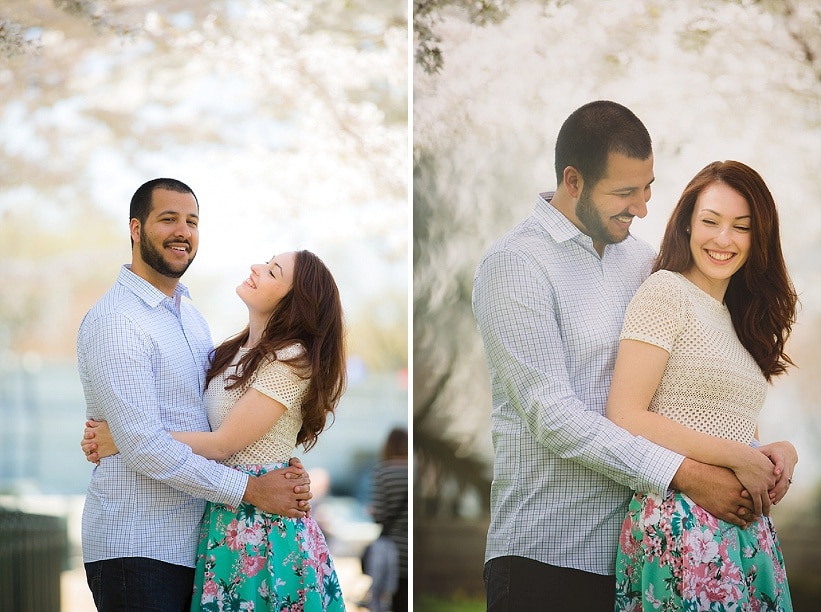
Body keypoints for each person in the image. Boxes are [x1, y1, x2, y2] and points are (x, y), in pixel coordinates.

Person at [471, 100, 797, 611]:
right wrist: (685, 474)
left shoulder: (642, 261)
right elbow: (553, 417)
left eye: (647, 188)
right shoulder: (515, 265)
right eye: (624, 193)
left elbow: (680, 389)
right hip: (547, 555)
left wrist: (756, 451)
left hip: (636, 556)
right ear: (574, 181)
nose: (642, 207)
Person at [77, 178, 311, 612]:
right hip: (137, 545)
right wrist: (252, 489)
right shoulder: (118, 321)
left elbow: (214, 422)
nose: (182, 231)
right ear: (135, 228)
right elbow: (146, 447)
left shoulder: (192, 319)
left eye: (192, 221)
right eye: (168, 219)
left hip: (199, 547)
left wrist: (282, 467)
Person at [607, 160, 796, 609]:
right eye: (711, 222)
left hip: (744, 535)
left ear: (758, 237)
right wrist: (737, 457)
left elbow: (722, 422)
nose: (723, 239)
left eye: (741, 227)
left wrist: (774, 451)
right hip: (682, 525)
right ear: (688, 224)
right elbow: (626, 414)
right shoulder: (665, 292)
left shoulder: (738, 318)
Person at [364, 427, 409, 612]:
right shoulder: (411, 470)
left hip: (393, 550)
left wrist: (373, 511)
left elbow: (380, 515)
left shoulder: (383, 472)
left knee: (392, 600)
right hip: (410, 548)